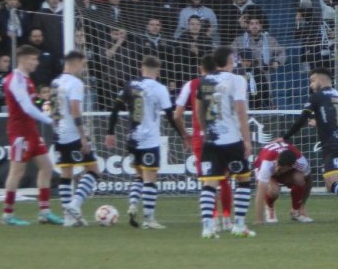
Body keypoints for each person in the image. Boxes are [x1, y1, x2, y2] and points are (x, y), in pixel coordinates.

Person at [280, 67, 338, 221]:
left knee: (331, 184)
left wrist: (286, 137)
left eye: (312, 81)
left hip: (333, 143)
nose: (311, 85)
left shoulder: (317, 97)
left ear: (321, 80)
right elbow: (334, 118)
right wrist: (319, 122)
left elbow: (303, 118)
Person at [104, 55, 179, 230]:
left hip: (133, 139)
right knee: (150, 179)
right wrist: (182, 135)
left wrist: (110, 132)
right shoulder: (159, 88)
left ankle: (132, 204)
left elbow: (115, 108)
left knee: (138, 175)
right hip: (149, 140)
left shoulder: (130, 85)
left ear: (141, 68)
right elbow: (170, 115)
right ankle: (148, 218)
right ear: (158, 71)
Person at [194, 46, 256, 239]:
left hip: (211, 139)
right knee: (244, 180)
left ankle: (207, 227)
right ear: (230, 60)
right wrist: (247, 140)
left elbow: (198, 111)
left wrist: (206, 131)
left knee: (209, 183)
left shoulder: (204, 81)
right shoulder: (237, 80)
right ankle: (238, 225)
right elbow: (240, 110)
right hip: (231, 140)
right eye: (234, 57)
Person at [0, 44, 63, 226]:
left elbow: (32, 103)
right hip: (19, 132)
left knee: (46, 167)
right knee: (17, 170)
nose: (36, 62)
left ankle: (44, 212)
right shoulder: (16, 79)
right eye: (33, 59)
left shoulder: (27, 79)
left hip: (31, 130)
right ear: (23, 59)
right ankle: (7, 214)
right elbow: (26, 107)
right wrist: (49, 120)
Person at [174, 55, 235, 231]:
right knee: (224, 180)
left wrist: (184, 133)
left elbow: (177, 114)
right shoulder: (226, 83)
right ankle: (227, 219)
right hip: (224, 135)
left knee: (209, 179)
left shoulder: (192, 85)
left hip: (201, 138)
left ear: (200, 68)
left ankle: (212, 218)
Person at [50, 50, 101, 227]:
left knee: (66, 173)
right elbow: (75, 110)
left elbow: (54, 111)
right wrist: (83, 137)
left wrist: (56, 130)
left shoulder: (55, 82)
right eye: (83, 64)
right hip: (72, 134)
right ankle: (75, 204)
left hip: (59, 133)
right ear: (76, 62)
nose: (83, 68)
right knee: (94, 170)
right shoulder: (75, 83)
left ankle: (68, 218)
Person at [252, 139, 311, 224]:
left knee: (300, 179)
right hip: (261, 167)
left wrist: (302, 205)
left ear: (291, 167)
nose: (277, 169)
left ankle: (296, 211)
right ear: (277, 159)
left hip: (286, 172)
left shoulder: (301, 161)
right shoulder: (267, 163)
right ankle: (270, 208)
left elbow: (308, 181)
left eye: (281, 168)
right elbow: (260, 191)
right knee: (274, 190)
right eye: (278, 164)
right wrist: (259, 219)